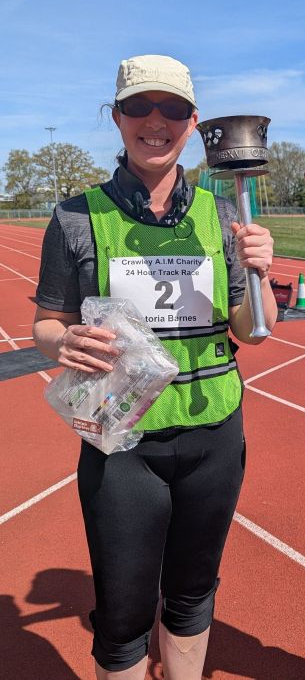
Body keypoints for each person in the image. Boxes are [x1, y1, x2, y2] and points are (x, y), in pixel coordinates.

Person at [33, 54, 278, 679]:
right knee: (121, 613)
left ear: (192, 123)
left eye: (171, 110)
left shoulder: (225, 216)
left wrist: (260, 274)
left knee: (194, 596)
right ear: (117, 118)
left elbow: (252, 332)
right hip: (122, 445)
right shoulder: (75, 217)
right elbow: (47, 321)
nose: (155, 122)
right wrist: (62, 344)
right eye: (139, 107)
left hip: (213, 436)